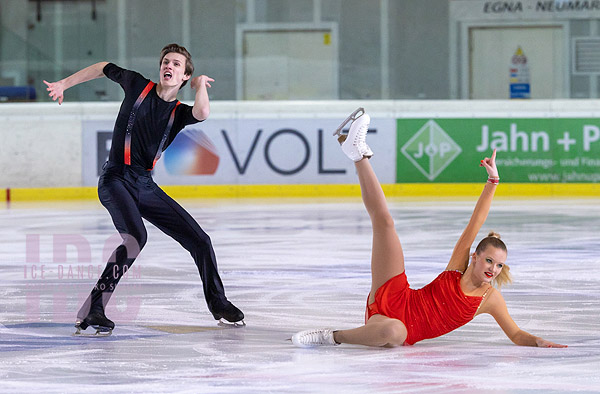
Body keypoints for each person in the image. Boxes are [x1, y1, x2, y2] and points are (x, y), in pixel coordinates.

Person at [291, 109, 566, 348]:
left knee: (394, 332)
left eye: (499, 266)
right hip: (397, 294)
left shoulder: (490, 299)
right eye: (490, 260)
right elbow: (476, 222)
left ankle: (331, 336)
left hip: (389, 327)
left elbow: (516, 334)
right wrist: (492, 181)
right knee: (385, 223)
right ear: (475, 257)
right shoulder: (457, 267)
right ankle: (357, 154)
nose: (493, 269)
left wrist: (538, 341)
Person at [44, 43, 244, 335]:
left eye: (177, 64)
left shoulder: (179, 112)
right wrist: (64, 83)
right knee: (136, 236)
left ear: (185, 76)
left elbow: (202, 113)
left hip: (145, 184)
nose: (169, 66)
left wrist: (201, 85)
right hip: (115, 178)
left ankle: (218, 303)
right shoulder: (138, 84)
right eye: (166, 61)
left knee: (200, 240)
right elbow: (103, 66)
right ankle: (93, 307)